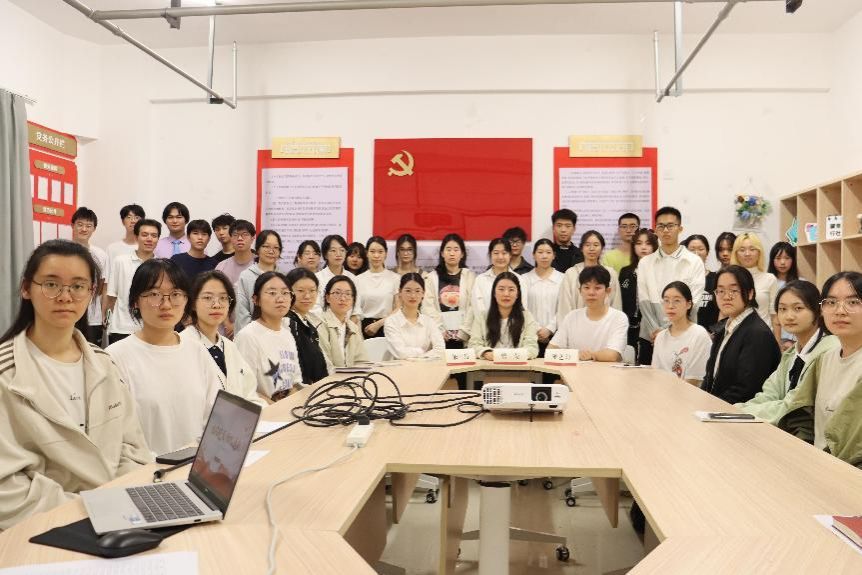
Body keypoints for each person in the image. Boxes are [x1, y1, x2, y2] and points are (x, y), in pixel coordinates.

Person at [0, 240, 151, 529]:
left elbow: (133, 449)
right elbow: (6, 488)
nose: (65, 296)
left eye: (78, 286)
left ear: (92, 292)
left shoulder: (103, 363)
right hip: (41, 528)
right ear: (26, 288)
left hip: (117, 517)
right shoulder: (6, 373)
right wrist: (87, 510)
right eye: (51, 284)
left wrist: (115, 505)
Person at [106, 259, 221, 455]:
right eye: (154, 294)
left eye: (175, 294)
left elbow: (215, 413)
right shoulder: (115, 357)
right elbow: (115, 435)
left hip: (196, 465)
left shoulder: (197, 351)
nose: (166, 304)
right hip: (145, 469)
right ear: (135, 301)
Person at [779, 271, 862, 469]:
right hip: (817, 469)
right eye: (831, 302)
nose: (840, 311)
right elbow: (803, 418)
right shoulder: (824, 360)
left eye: (853, 302)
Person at [737, 280, 837, 423]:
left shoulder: (830, 349)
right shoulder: (791, 354)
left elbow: (792, 405)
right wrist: (737, 410)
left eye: (798, 308)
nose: (789, 316)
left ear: (818, 310)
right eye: (782, 309)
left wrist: (740, 412)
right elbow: (769, 394)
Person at [180, 271, 266, 407]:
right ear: (193, 304)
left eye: (223, 298)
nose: (217, 305)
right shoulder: (181, 345)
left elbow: (249, 394)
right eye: (208, 298)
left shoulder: (230, 347)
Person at [701, 265, 781, 405]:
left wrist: (712, 408)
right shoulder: (724, 328)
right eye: (721, 291)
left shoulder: (757, 334)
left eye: (733, 290)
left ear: (750, 293)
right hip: (716, 409)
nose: (726, 296)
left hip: (738, 413)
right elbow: (710, 377)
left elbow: (747, 389)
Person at [637, 207, 705, 365]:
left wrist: (669, 331)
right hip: (651, 336)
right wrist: (658, 333)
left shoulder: (694, 262)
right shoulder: (645, 263)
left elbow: (693, 302)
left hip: (684, 335)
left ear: (680, 228)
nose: (666, 230)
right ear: (655, 230)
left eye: (670, 225)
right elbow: (644, 301)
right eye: (661, 226)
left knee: (682, 378)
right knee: (648, 379)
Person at [233, 271, 304, 401]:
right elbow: (244, 389)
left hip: (288, 407)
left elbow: (295, 382)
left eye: (285, 293)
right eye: (272, 293)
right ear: (256, 300)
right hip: (264, 410)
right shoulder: (247, 336)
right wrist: (276, 408)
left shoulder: (287, 334)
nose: (280, 299)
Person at [549, 266, 628, 362]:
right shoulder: (571, 317)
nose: (591, 293)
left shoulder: (618, 318)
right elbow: (551, 350)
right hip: (574, 371)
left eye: (597, 288)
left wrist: (590, 355)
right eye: (586, 287)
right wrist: (577, 355)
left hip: (606, 371)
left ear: (608, 291)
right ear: (580, 291)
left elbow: (613, 355)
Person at [105, 218, 160, 345]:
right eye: (144, 235)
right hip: (121, 328)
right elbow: (111, 296)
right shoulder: (120, 261)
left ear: (158, 239)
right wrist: (108, 321)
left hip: (150, 328)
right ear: (136, 237)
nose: (149, 239)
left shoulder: (161, 266)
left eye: (154, 236)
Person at [651, 282, 712, 384]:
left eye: (677, 300)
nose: (670, 306)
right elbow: (655, 373)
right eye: (666, 300)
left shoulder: (699, 334)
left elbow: (695, 380)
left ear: (688, 304)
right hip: (662, 390)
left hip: (688, 392)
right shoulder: (660, 337)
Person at [421, 233, 476, 347]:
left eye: (456, 250)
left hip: (464, 337)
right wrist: (439, 329)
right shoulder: (431, 278)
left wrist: (464, 331)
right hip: (439, 337)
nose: (452, 253)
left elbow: (473, 305)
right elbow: (427, 306)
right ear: (442, 253)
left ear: (462, 254)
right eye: (448, 249)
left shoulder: (470, 276)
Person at [557, 230, 621, 324]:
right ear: (581, 248)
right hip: (576, 327)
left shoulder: (611, 273)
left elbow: (616, 304)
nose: (592, 248)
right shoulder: (571, 273)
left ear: (602, 248)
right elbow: (564, 306)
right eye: (587, 245)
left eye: (596, 245)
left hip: (604, 327)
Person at [470, 272, 539, 360]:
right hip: (489, 365)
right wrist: (486, 353)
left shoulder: (527, 317)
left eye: (511, 290)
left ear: (517, 294)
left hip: (518, 366)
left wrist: (511, 356)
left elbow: (532, 348)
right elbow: (473, 345)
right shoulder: (482, 317)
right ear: (494, 293)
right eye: (501, 289)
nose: (506, 294)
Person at [730, 232, 780, 342]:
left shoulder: (769, 279)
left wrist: (777, 343)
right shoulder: (730, 279)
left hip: (763, 337)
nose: (747, 254)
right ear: (736, 253)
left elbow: (774, 315)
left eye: (752, 249)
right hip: (736, 336)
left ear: (759, 252)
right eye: (742, 250)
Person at [285, 268, 332, 385]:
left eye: (312, 290)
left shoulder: (309, 321)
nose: (307, 296)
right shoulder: (288, 323)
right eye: (300, 291)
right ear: (288, 292)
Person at [234, 230, 284, 333]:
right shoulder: (246, 276)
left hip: (279, 333)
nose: (271, 251)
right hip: (252, 334)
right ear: (258, 249)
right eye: (266, 246)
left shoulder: (283, 277)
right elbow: (241, 312)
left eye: (276, 247)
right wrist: (257, 334)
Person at [385, 273, 445, 359]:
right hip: (400, 366)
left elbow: (440, 349)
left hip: (425, 366)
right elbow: (401, 353)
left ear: (423, 293)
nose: (413, 296)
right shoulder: (391, 321)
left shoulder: (429, 321)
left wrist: (420, 356)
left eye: (417, 291)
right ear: (400, 292)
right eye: (408, 291)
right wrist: (423, 352)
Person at [619, 229, 657, 364]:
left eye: (648, 243)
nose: (643, 247)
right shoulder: (625, 272)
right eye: (639, 243)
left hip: (651, 326)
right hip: (627, 327)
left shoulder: (658, 271)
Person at [71, 207, 107, 346]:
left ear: (94, 229)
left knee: (92, 352)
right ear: (72, 225)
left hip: (93, 317)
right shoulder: (60, 252)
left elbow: (102, 287)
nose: (84, 229)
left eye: (88, 226)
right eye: (80, 224)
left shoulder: (101, 255)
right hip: (67, 313)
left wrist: (103, 314)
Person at [523, 239, 564, 357]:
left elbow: (563, 307)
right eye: (540, 252)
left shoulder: (562, 278)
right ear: (533, 255)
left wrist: (549, 329)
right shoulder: (524, 279)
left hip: (557, 336)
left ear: (554, 255)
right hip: (530, 336)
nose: (544, 256)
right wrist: (537, 329)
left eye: (548, 252)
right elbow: (523, 307)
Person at [317, 275, 368, 368]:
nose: (343, 298)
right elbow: (324, 363)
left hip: (352, 376)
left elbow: (362, 361)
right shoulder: (320, 324)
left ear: (353, 300)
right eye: (337, 293)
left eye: (348, 294)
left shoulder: (353, 328)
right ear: (327, 298)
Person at [355, 236, 400, 339]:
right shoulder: (358, 280)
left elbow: (399, 308)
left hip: (388, 327)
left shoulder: (395, 278)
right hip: (364, 329)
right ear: (367, 253)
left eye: (380, 252)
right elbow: (356, 310)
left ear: (386, 253)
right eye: (372, 251)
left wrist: (379, 324)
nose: (376, 255)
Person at [472, 238, 530, 316]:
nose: (500, 257)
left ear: (510, 255)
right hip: (485, 322)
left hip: (513, 322)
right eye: (496, 253)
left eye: (504, 253)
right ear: (490, 255)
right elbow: (477, 308)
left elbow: (522, 308)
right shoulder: (480, 280)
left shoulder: (519, 280)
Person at [314, 234, 362, 319]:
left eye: (342, 250)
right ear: (325, 254)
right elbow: (316, 308)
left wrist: (347, 325)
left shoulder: (353, 278)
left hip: (348, 324)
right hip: (324, 324)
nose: (338, 254)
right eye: (333, 250)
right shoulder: (317, 278)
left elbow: (356, 310)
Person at [682, 234, 720, 335]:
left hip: (710, 336)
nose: (696, 253)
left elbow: (723, 310)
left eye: (701, 249)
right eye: (692, 249)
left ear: (707, 252)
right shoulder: (680, 280)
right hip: (685, 333)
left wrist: (714, 333)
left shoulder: (717, 279)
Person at [769, 241, 802, 349]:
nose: (782, 262)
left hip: (796, 337)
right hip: (772, 335)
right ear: (772, 260)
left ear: (793, 260)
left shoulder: (801, 284)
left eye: (787, 258)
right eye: (778, 258)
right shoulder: (768, 282)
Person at [105, 203, 145, 286]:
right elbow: (107, 279)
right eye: (129, 217)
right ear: (123, 221)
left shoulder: (147, 247)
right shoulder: (112, 248)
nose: (133, 221)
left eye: (137, 217)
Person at [215, 219, 256, 285]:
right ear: (231, 238)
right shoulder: (221, 267)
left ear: (253, 238)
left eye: (245, 234)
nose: (240, 238)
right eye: (235, 235)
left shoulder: (261, 263)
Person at [550, 208, 584, 273]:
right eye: (559, 226)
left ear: (574, 229)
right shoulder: (546, 254)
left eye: (568, 226)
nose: (563, 230)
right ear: (553, 228)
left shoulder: (581, 254)